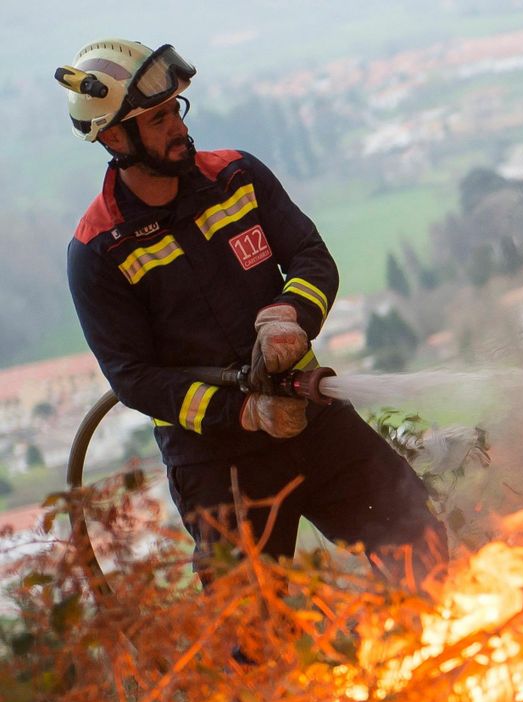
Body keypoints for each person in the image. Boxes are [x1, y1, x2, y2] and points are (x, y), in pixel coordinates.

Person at [56, 39, 446, 587]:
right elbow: (133, 378)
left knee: (418, 543)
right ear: (116, 136)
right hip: (219, 463)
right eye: (158, 118)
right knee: (248, 625)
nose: (178, 127)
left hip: (314, 416)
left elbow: (312, 258)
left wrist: (289, 316)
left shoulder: (236, 175)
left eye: (175, 111)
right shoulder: (100, 249)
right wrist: (241, 414)